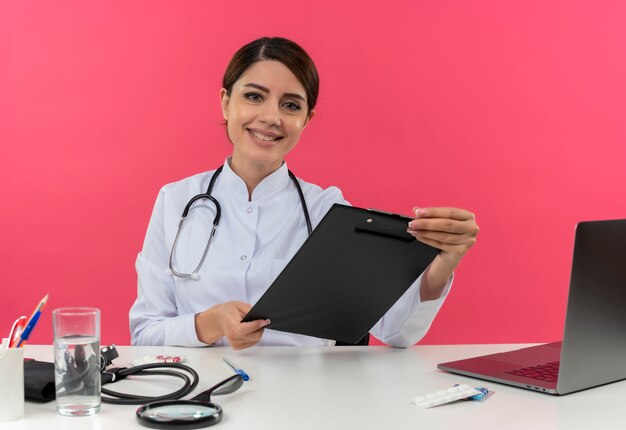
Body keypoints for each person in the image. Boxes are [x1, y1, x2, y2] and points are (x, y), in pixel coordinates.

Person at [130, 37, 479, 350]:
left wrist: (441, 266)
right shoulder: (176, 201)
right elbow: (145, 333)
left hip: (305, 398)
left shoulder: (328, 209)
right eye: (254, 96)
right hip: (203, 396)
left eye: (291, 105)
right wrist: (209, 324)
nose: (271, 117)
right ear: (226, 103)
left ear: (307, 120)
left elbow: (397, 332)